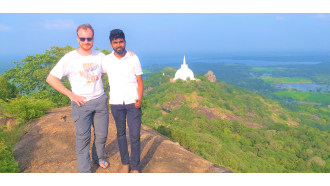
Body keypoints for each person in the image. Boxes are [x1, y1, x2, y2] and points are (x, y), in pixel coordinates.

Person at [46, 24, 109, 173]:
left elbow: (106, 71)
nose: (86, 41)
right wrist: (71, 95)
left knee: (102, 135)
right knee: (83, 138)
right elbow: (51, 78)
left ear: (93, 38)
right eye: (83, 38)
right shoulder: (70, 58)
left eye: (89, 38)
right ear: (77, 39)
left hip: (100, 101)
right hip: (81, 104)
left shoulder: (100, 56)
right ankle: (84, 171)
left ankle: (98, 157)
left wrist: (128, 55)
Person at [102, 29, 143, 173]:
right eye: (115, 42)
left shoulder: (133, 58)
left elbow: (139, 80)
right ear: (111, 44)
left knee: (135, 135)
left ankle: (136, 167)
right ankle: (125, 163)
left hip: (133, 102)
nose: (118, 45)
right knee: (120, 134)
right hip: (116, 102)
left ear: (125, 42)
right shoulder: (106, 60)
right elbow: (96, 73)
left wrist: (139, 99)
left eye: (120, 41)